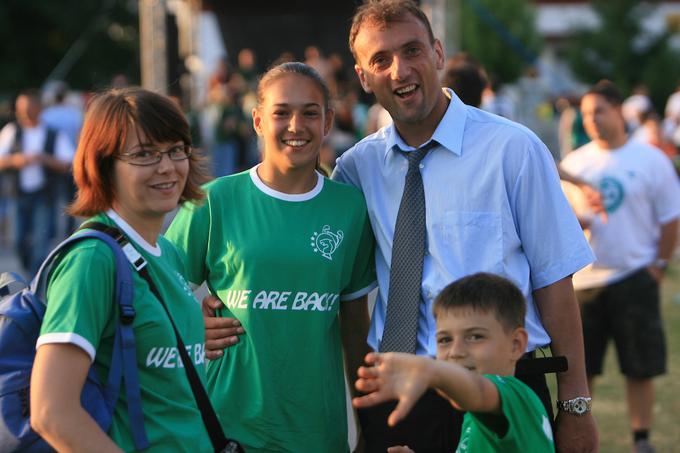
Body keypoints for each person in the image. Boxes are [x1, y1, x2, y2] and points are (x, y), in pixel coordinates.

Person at [335, 1, 596, 451]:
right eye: (381, 60)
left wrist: (575, 404)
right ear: (363, 77)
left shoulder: (512, 150)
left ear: (438, 54)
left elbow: (555, 280)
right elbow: (323, 272)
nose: (400, 70)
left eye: (412, 50)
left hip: (498, 389)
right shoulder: (357, 168)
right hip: (397, 392)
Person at [165, 62, 377, 453]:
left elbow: (354, 328)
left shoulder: (349, 208)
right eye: (282, 112)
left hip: (319, 433)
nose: (296, 125)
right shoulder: (214, 202)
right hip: (229, 428)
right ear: (259, 120)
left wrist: (368, 426)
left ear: (328, 121)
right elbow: (153, 291)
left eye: (310, 112)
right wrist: (189, 320)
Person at [29, 87, 214, 451]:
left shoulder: (167, 252)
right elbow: (51, 412)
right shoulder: (92, 260)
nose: (167, 166)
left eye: (176, 150)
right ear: (104, 164)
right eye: (144, 154)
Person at [560, 80, 680, 453]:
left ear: (619, 112)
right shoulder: (574, 164)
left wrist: (658, 265)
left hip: (634, 276)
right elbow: (562, 222)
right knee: (582, 369)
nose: (592, 120)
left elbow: (670, 217)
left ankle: (641, 438)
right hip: (584, 282)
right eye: (585, 114)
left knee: (639, 366)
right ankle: (579, 435)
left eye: (599, 111)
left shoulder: (650, 158)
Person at [352, 273, 555, 453]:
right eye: (444, 340)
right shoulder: (474, 418)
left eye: (475, 337)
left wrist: (430, 370)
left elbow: (479, 390)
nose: (456, 352)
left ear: (516, 344)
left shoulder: (516, 398)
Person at [0, 89, 75, 274]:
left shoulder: (52, 133)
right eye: (20, 109)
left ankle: (34, 279)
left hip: (44, 194)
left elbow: (68, 163)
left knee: (41, 242)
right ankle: (29, 271)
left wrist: (44, 159)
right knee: (17, 240)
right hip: (18, 193)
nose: (24, 113)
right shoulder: (12, 131)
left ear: (39, 108)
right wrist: (16, 160)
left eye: (28, 108)